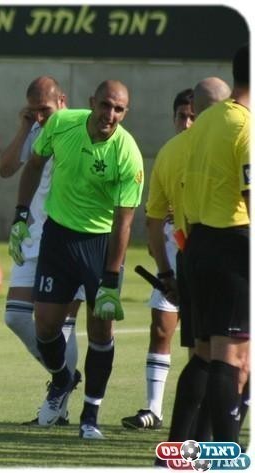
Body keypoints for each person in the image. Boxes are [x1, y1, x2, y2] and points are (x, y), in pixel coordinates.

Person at [11, 80, 144, 439]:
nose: (110, 114)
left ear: (125, 113)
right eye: (105, 105)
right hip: (57, 236)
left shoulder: (128, 153)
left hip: (100, 244)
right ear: (92, 102)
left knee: (101, 329)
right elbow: (33, 164)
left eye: (118, 109)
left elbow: (124, 222)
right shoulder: (61, 124)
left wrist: (111, 280)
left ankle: (90, 416)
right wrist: (20, 215)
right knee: (45, 326)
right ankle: (62, 378)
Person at [121, 81, 230, 430]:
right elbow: (153, 217)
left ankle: (202, 427)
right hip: (181, 256)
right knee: (168, 332)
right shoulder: (171, 154)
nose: (187, 123)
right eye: (181, 116)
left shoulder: (223, 147)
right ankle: (156, 410)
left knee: (207, 349)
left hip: (212, 258)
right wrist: (165, 267)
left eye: (192, 116)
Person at [0, 76, 84, 426]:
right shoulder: (35, 129)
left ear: (62, 100)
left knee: (64, 323)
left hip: (72, 236)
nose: (39, 117)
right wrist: (24, 127)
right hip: (34, 236)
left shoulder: (81, 127)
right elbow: (5, 169)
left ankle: (58, 409)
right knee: (16, 316)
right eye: (33, 111)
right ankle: (64, 375)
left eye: (44, 110)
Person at [176, 44, 249, 444]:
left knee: (204, 354)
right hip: (232, 245)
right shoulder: (245, 126)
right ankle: (225, 454)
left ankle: (176, 451)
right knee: (231, 357)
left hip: (198, 243)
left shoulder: (204, 122)